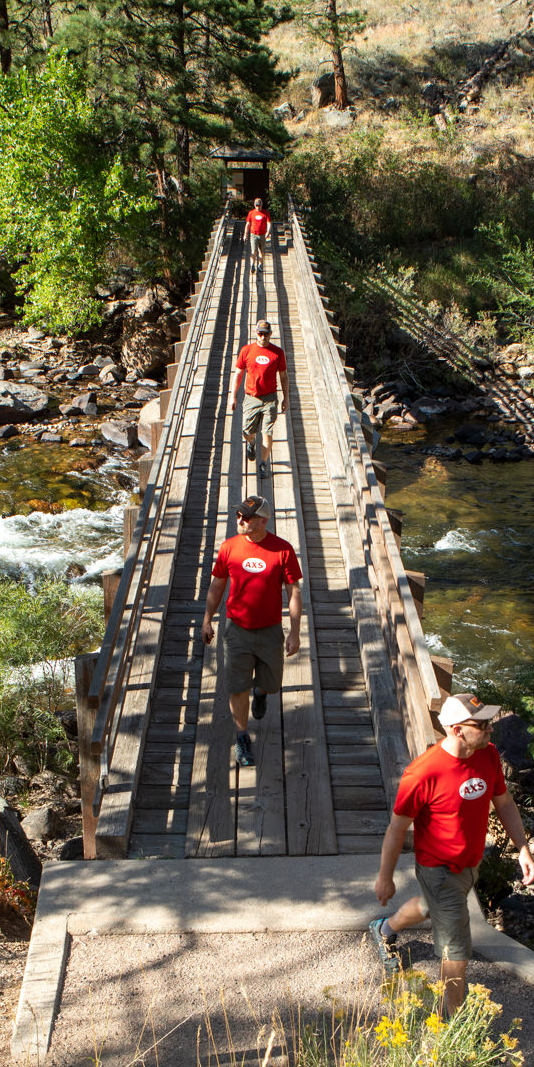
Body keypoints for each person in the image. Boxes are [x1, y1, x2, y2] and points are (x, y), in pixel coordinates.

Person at [370, 694, 534, 1018]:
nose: (491, 728)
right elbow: (395, 829)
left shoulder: (488, 755)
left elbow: (503, 803)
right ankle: (451, 1025)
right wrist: (384, 877)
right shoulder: (422, 773)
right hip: (438, 868)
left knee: (428, 906)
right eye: (483, 724)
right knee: (457, 951)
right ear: (458, 730)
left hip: (470, 865)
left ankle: (384, 930)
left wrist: (522, 848)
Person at [201, 494, 302, 768]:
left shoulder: (283, 550)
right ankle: (242, 736)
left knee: (271, 684)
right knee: (236, 687)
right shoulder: (229, 548)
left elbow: (293, 592)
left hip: (270, 630)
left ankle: (260, 692)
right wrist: (207, 619)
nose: (239, 520)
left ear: (262, 521)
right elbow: (216, 586)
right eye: (238, 515)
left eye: (245, 517)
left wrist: (294, 631)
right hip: (237, 630)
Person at [232, 319, 287, 470]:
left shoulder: (278, 353)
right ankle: (251, 443)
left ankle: (263, 463)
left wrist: (285, 398)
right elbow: (238, 374)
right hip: (251, 397)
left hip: (270, 398)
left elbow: (283, 376)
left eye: (266, 334)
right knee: (247, 431)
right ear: (256, 333)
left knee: (267, 433)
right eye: (260, 334)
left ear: (271, 334)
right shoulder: (246, 350)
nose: (263, 337)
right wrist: (233, 396)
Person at [244, 197, 272, 272]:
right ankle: (252, 265)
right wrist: (245, 234)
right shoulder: (251, 213)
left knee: (261, 251)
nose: (258, 207)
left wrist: (268, 232)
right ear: (254, 205)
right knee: (253, 251)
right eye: (256, 205)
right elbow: (248, 224)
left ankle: (260, 265)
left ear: (261, 205)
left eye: (259, 205)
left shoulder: (265, 213)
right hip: (253, 235)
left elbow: (269, 223)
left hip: (262, 235)